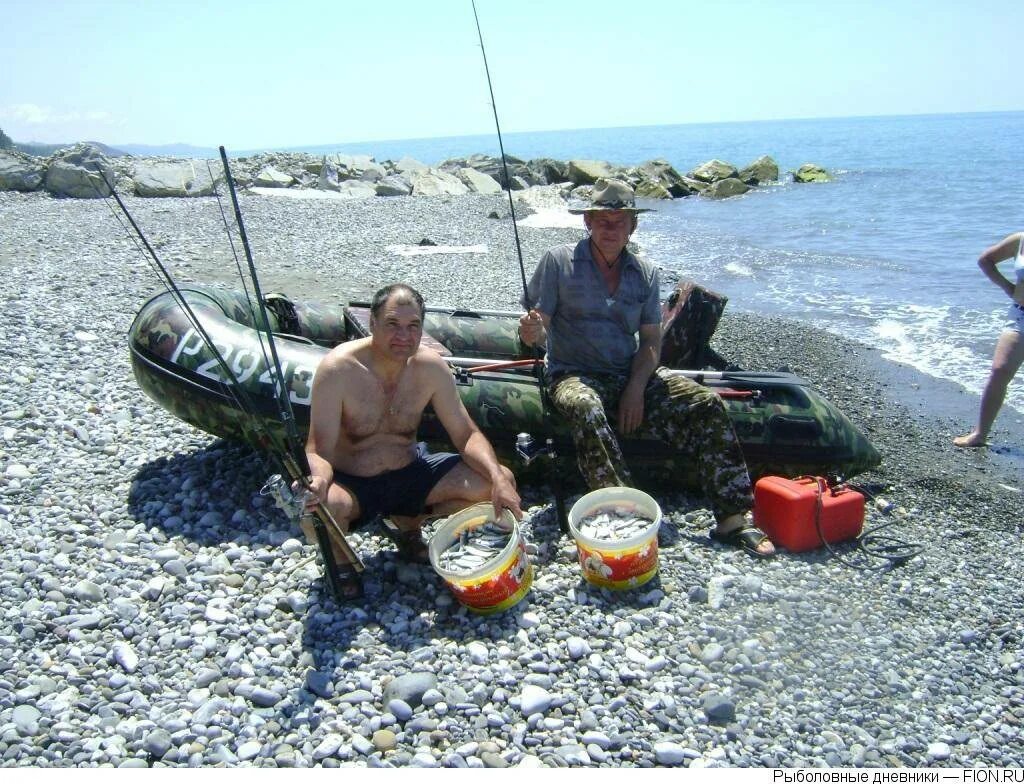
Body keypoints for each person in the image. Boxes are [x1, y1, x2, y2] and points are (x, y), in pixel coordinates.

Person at [518, 178, 774, 557]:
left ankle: (732, 520)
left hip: (628, 373)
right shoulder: (558, 262)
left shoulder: (646, 273)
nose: (610, 227)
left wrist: (636, 388)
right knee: (585, 406)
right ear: (587, 221)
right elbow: (537, 327)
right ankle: (624, 515)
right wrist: (531, 330)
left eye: (619, 220)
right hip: (572, 373)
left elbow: (651, 341)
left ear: (632, 226)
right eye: (602, 219)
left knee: (705, 404)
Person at [302, 282, 522, 598]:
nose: (403, 336)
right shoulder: (338, 370)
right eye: (392, 324)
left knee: (499, 481)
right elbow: (317, 449)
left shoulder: (430, 367)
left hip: (409, 472)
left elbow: (466, 434)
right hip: (353, 484)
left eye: (413, 326)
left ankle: (408, 521)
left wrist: (497, 478)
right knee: (319, 508)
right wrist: (319, 481)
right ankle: (341, 563)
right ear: (372, 323)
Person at [953, 232, 1024, 448]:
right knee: (1000, 369)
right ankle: (980, 434)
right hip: (1021, 314)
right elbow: (985, 261)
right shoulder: (1020, 240)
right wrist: (1008, 287)